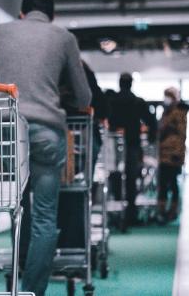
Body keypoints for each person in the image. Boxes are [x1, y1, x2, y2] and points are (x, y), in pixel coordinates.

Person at [0, 0, 91, 296]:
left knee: (17, 207)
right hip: (47, 131)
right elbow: (84, 95)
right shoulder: (63, 37)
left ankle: (16, 276)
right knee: (45, 215)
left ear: (22, 14)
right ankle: (32, 290)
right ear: (52, 16)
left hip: (6, 128)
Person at [57, 60, 109, 248]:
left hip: (58, 138)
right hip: (84, 138)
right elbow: (101, 107)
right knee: (79, 190)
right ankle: (76, 243)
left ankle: (59, 243)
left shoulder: (53, 75)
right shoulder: (84, 72)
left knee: (58, 193)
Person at [108, 73, 157, 229]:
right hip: (133, 143)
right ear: (131, 84)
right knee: (131, 179)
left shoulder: (112, 101)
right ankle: (131, 213)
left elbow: (106, 118)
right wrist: (150, 138)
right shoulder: (137, 102)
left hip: (113, 143)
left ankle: (114, 212)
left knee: (113, 176)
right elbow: (151, 121)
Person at [157, 87, 189, 224]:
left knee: (172, 183)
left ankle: (173, 210)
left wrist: (178, 153)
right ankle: (162, 211)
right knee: (163, 183)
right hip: (164, 153)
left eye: (168, 96)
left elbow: (181, 135)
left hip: (173, 155)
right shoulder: (167, 112)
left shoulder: (179, 113)